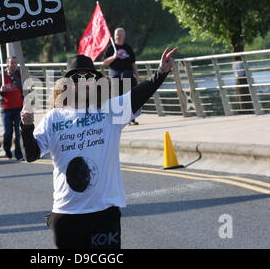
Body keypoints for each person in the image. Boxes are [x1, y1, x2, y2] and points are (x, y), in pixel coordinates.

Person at [20, 48, 177, 249]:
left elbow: (139, 94)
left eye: (90, 77)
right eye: (78, 77)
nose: (84, 82)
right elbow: (31, 155)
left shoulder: (111, 110)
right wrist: (26, 127)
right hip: (67, 214)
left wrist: (161, 72)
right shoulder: (54, 118)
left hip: (104, 214)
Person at [102, 28, 140, 125]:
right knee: (117, 97)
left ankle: (131, 118)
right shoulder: (110, 48)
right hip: (115, 75)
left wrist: (137, 75)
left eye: (120, 34)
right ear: (114, 36)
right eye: (117, 34)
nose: (118, 36)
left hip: (127, 75)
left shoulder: (128, 48)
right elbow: (104, 62)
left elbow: (133, 63)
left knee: (129, 96)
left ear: (124, 36)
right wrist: (114, 57)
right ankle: (118, 117)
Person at [0, 57, 23, 160]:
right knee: (8, 132)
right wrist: (0, 89)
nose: (14, 65)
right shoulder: (1, 75)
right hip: (6, 108)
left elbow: (26, 87)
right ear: (7, 64)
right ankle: (7, 151)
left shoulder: (20, 74)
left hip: (19, 107)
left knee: (19, 132)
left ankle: (19, 154)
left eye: (15, 63)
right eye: (11, 63)